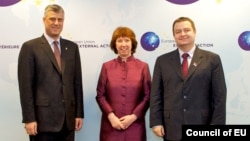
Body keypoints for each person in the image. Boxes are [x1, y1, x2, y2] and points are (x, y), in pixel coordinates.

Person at [149, 17, 227, 141]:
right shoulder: (162, 61)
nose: (183, 34)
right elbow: (155, 95)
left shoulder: (212, 59)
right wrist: (156, 122)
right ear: (174, 35)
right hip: (171, 128)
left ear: (194, 32)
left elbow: (219, 96)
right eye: (178, 31)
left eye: (187, 30)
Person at [18, 4, 84, 141]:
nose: (56, 23)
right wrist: (29, 119)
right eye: (52, 19)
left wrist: (78, 114)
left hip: (68, 121)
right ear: (44, 20)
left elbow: (77, 84)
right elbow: (26, 87)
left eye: (60, 20)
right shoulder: (30, 47)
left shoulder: (72, 48)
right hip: (42, 122)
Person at [96, 26, 151, 141]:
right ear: (115, 44)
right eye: (119, 41)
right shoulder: (106, 67)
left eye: (127, 40)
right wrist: (111, 117)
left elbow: (148, 96)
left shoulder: (143, 67)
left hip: (135, 126)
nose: (123, 44)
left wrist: (134, 116)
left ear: (132, 43)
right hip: (111, 126)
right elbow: (100, 95)